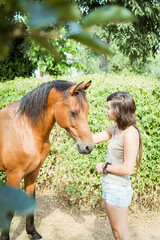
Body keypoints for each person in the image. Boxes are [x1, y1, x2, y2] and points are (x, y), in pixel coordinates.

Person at [93, 92, 142, 240]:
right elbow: (91, 139)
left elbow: (128, 168)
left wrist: (105, 167)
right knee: (116, 232)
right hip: (109, 186)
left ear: (119, 110)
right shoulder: (114, 128)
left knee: (121, 234)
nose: (106, 111)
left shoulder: (130, 134)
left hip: (118, 190)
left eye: (109, 108)